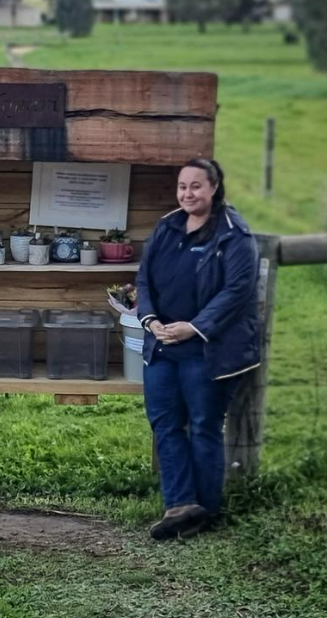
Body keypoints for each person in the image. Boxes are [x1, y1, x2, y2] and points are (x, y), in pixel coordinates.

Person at [135, 157, 261, 540]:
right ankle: (180, 505)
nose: (187, 193)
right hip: (162, 345)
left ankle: (204, 512)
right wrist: (151, 319)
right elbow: (143, 278)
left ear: (214, 188)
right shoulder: (167, 225)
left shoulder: (234, 235)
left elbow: (237, 292)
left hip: (208, 350)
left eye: (196, 186)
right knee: (164, 423)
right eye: (182, 187)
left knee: (204, 425)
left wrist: (194, 327)